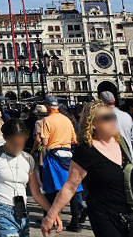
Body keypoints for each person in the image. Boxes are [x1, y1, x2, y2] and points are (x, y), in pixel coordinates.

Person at [41, 100, 133, 237]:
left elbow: (127, 173)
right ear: (93, 124)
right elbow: (70, 186)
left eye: (113, 117)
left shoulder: (121, 142)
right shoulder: (86, 151)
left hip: (130, 212)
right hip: (104, 215)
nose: (112, 121)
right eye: (106, 118)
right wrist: (50, 216)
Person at [0, 120, 56, 237]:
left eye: (21, 144)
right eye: (14, 143)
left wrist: (52, 213)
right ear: (5, 138)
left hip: (22, 213)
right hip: (1, 211)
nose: (17, 147)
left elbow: (36, 193)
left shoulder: (28, 159)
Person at [36, 96, 84, 232]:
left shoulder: (47, 120)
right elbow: (74, 140)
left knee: (51, 188)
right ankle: (75, 221)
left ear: (48, 106)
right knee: (73, 188)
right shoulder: (67, 120)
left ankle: (50, 218)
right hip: (68, 155)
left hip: (53, 155)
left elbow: (44, 142)